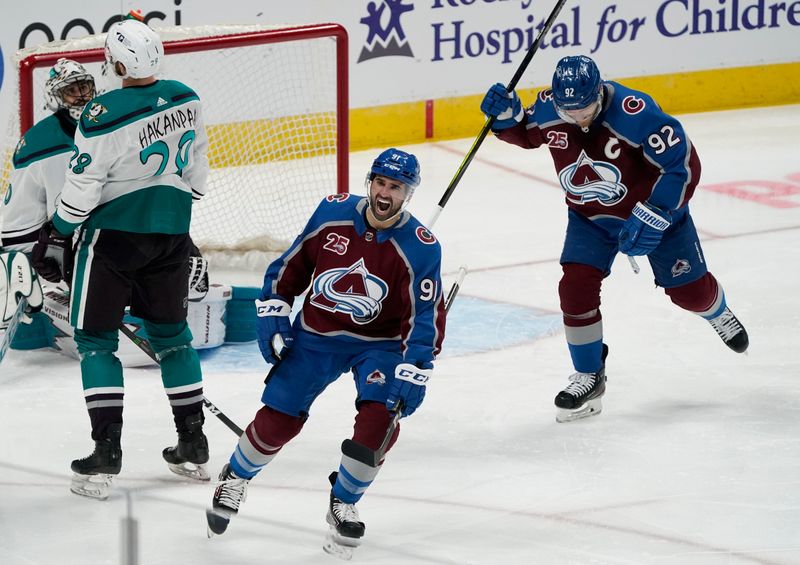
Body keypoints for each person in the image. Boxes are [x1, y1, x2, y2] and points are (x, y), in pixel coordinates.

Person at [205, 148, 446, 558]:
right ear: (369, 181)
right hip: (318, 334)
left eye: (397, 188)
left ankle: (344, 500)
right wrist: (274, 307)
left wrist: (416, 367)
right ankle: (236, 475)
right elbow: (292, 265)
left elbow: (424, 318)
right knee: (279, 420)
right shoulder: (331, 213)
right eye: (381, 183)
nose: (386, 194)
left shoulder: (422, 247)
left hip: (380, 347)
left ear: (409, 194)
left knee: (379, 423)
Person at [480, 55, 749, 423]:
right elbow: (529, 132)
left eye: (586, 108)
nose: (578, 118)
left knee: (690, 294)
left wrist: (657, 211)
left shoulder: (635, 112)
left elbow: (681, 163)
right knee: (574, 288)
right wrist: (506, 118)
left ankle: (716, 311)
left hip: (656, 217)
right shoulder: (548, 106)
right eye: (568, 110)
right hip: (589, 218)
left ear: (599, 93)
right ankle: (589, 375)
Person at [30, 16, 211, 500]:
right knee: (174, 339)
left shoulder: (101, 113)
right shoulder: (186, 96)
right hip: (173, 234)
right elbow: (197, 177)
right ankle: (193, 441)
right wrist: (166, 207)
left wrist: (56, 232)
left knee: (94, 342)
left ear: (117, 61)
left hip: (111, 240)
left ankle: (106, 450)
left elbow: (83, 188)